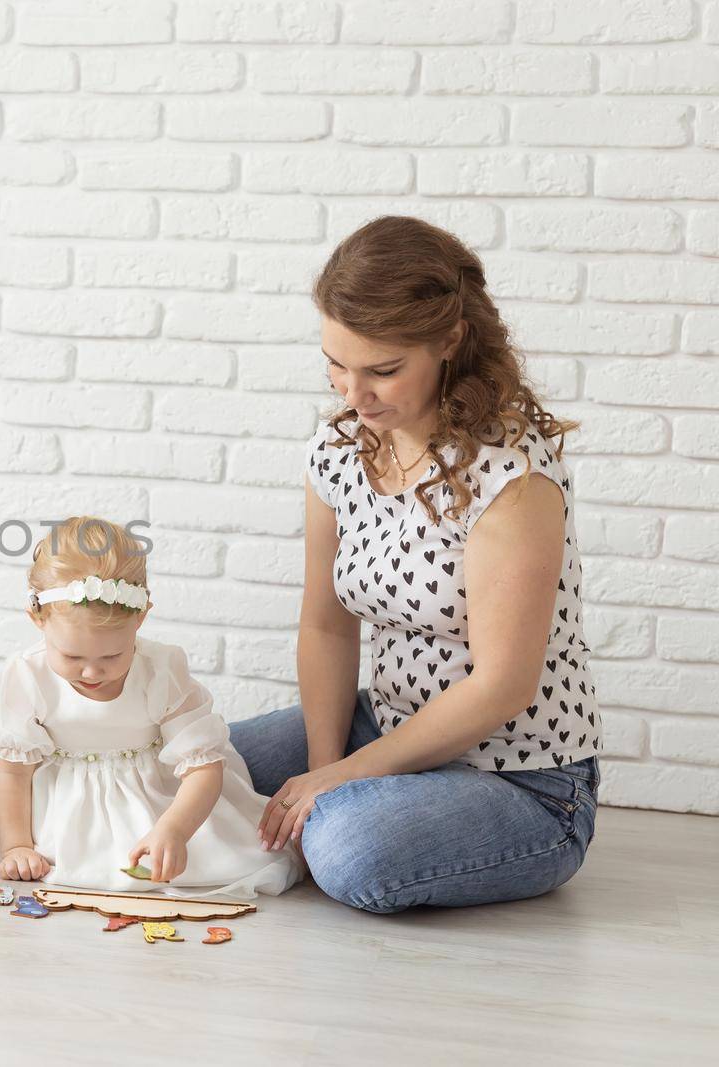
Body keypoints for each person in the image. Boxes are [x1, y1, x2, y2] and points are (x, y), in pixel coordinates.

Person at [229, 216, 602, 913]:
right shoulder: (338, 455)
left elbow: (501, 686)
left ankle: (351, 820)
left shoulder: (510, 476)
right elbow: (326, 625)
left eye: (382, 370)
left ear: (450, 340)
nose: (352, 392)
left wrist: (338, 789)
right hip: (387, 725)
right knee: (191, 765)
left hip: (522, 780)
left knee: (348, 847)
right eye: (335, 363)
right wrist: (323, 770)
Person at [0, 516, 303, 898]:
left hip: (158, 798)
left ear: (142, 617)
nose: (91, 671)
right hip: (66, 805)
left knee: (233, 854)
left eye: (113, 656)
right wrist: (17, 846)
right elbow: (14, 773)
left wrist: (176, 830)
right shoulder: (26, 676)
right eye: (71, 656)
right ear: (37, 618)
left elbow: (203, 769)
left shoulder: (161, 670)